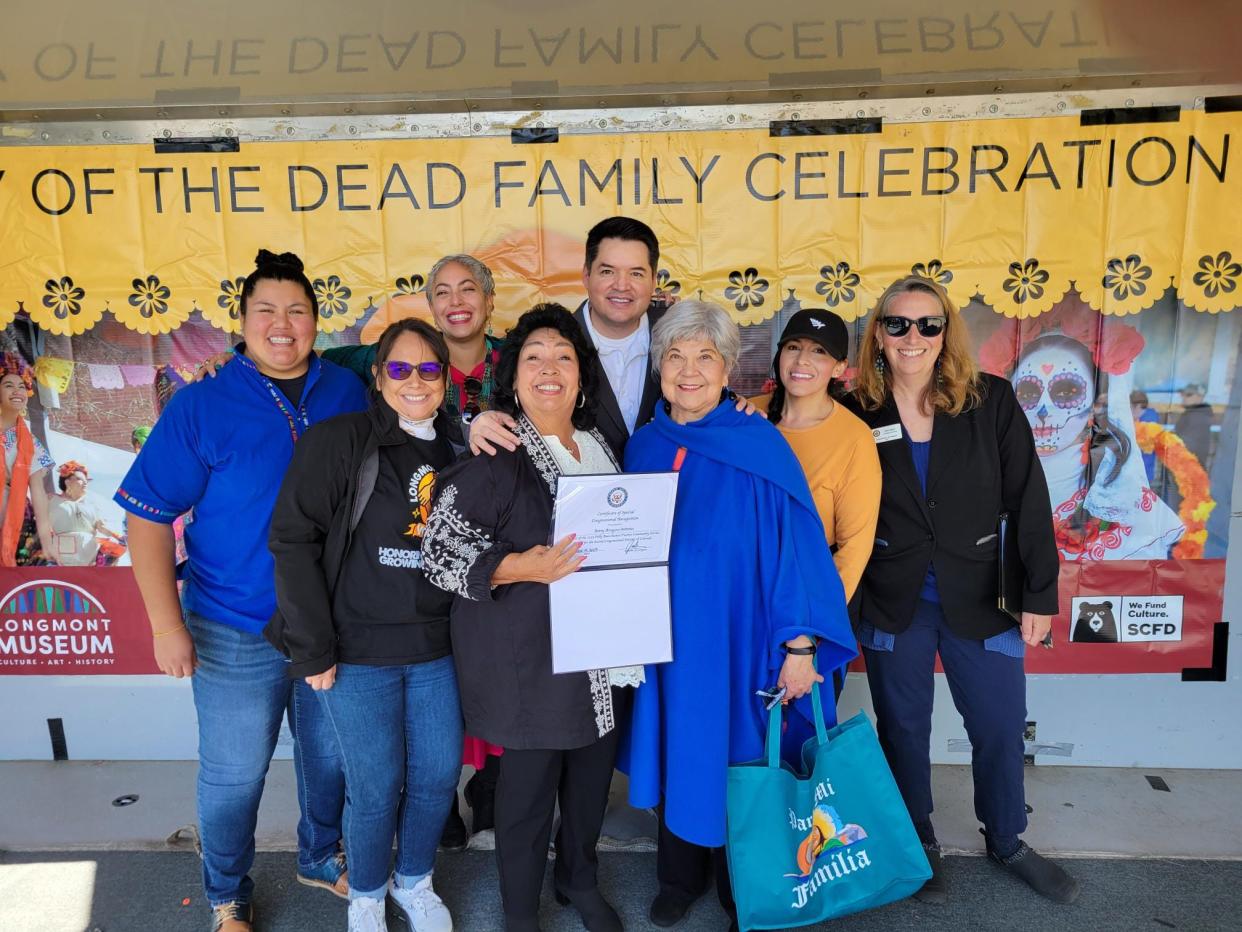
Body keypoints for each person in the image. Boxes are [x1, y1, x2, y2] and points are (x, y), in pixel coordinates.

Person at [116, 250, 367, 932]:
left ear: (317, 321)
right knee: (234, 776)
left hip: (331, 623)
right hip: (233, 624)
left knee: (332, 759)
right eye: (266, 311)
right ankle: (228, 894)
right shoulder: (202, 404)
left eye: (297, 311)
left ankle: (320, 857)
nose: (282, 325)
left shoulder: (348, 393)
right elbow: (145, 515)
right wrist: (167, 627)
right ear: (243, 321)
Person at [620, 300, 857, 932]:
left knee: (742, 760)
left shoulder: (760, 446)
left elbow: (795, 555)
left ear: (729, 370)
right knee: (678, 753)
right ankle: (678, 877)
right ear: (658, 366)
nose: (689, 371)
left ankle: (741, 883)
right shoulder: (642, 445)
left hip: (740, 642)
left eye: (705, 357)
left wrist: (800, 645)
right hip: (666, 647)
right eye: (675, 356)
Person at [849, 274, 1079, 905]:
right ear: (879, 334)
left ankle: (1006, 838)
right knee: (902, 726)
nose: (912, 337)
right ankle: (916, 840)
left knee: (1001, 725)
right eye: (898, 324)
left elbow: (1028, 499)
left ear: (945, 332)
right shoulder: (856, 409)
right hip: (893, 597)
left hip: (984, 594)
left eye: (927, 324)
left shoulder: (992, 400)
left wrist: (1040, 595)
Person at [422, 304, 643, 932]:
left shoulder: (604, 442)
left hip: (603, 652)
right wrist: (521, 567)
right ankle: (520, 911)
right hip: (531, 659)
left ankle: (578, 879)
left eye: (564, 356)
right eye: (535, 357)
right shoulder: (497, 450)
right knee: (525, 798)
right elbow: (439, 553)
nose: (550, 368)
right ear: (513, 376)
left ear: (582, 374)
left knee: (589, 782)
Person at [266, 319, 464, 932]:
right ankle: (368, 895)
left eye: (428, 370)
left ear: (446, 379)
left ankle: (415, 881)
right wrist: (314, 651)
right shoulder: (340, 440)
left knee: (435, 778)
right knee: (375, 788)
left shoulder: (457, 447)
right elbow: (293, 541)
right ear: (377, 377)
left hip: (438, 651)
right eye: (399, 369)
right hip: (356, 654)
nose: (414, 382)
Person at [978, 300, 1182, 560]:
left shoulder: (1123, 502)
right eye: (1028, 392)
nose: (1043, 411)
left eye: (1066, 391)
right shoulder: (983, 484)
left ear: (1095, 406)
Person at [468, 216, 671, 460]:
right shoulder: (553, 337)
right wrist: (479, 422)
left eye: (636, 274)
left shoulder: (679, 331)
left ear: (654, 279)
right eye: (607, 271)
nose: (621, 285)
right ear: (586, 275)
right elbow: (504, 405)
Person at [749, 308, 881, 603]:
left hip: (803, 591)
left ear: (839, 367)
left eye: (819, 351)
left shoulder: (853, 438)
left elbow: (855, 547)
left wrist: (820, 618)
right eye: (793, 347)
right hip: (738, 581)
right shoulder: (746, 415)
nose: (802, 360)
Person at [323, 254, 504, 421]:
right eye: (442, 292)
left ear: (489, 301)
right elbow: (327, 359)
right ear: (432, 308)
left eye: (467, 289)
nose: (455, 301)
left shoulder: (517, 360)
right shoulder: (400, 358)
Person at [0, 353, 55, 565]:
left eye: (22, 386)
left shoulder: (30, 442)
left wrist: (46, 539)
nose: (17, 391)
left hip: (16, 524)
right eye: (8, 385)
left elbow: (38, 491)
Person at [48, 461, 123, 566]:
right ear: (67, 481)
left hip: (89, 556)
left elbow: (101, 526)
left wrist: (118, 536)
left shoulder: (92, 504)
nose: (85, 483)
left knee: (115, 548)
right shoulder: (51, 499)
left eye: (86, 481)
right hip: (59, 556)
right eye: (80, 479)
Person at [1175, 382, 1214, 471]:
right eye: (1183, 394)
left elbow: (1188, 445)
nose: (1184, 397)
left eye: (1189, 395)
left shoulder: (1198, 417)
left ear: (1200, 397)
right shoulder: (1192, 414)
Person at [1129, 391, 1161, 483]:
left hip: (1141, 473)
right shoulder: (1149, 417)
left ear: (1138, 406)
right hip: (1144, 471)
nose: (1129, 411)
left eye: (1130, 407)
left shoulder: (1147, 424)